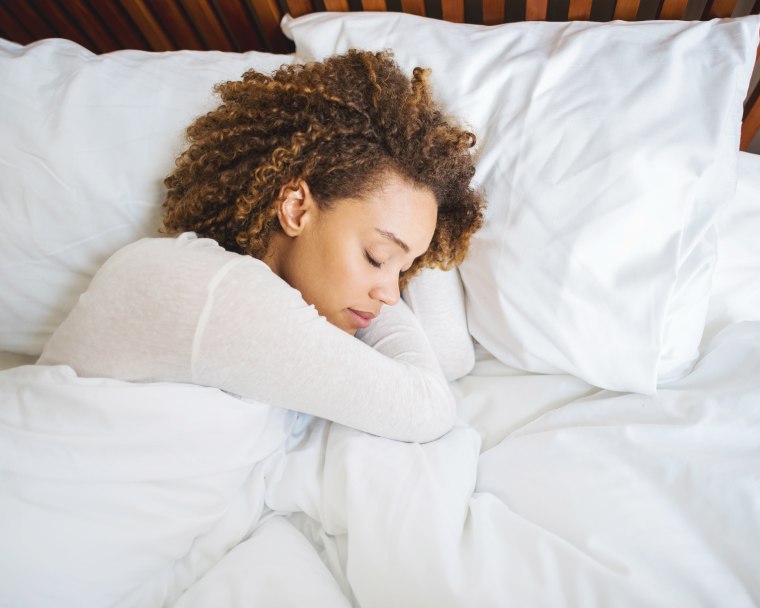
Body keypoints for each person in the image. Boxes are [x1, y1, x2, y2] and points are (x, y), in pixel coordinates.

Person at [39, 50, 485, 442]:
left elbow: (449, 358)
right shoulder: (212, 290)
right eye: (376, 257)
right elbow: (425, 407)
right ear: (294, 208)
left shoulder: (287, 305)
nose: (391, 294)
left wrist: (415, 227)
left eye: (404, 273)